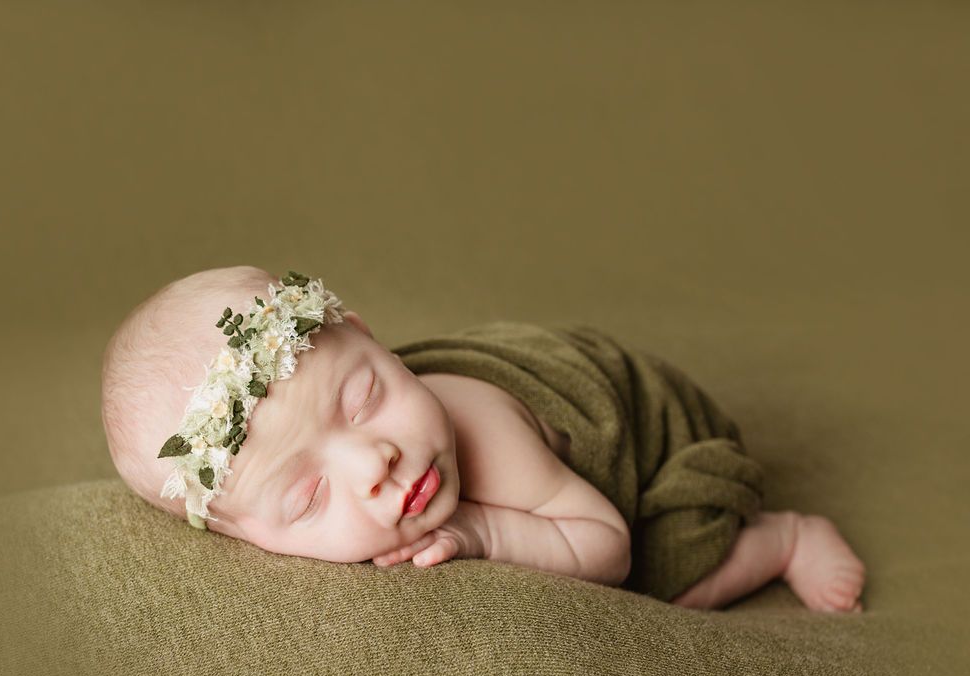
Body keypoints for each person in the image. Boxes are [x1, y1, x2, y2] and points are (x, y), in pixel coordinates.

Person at [101, 265, 865, 613]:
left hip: (649, 433)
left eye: (366, 393)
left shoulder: (484, 433)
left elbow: (606, 542)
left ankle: (783, 539)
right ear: (246, 537)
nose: (376, 461)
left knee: (660, 584)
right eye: (307, 497)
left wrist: (487, 529)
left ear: (370, 337)